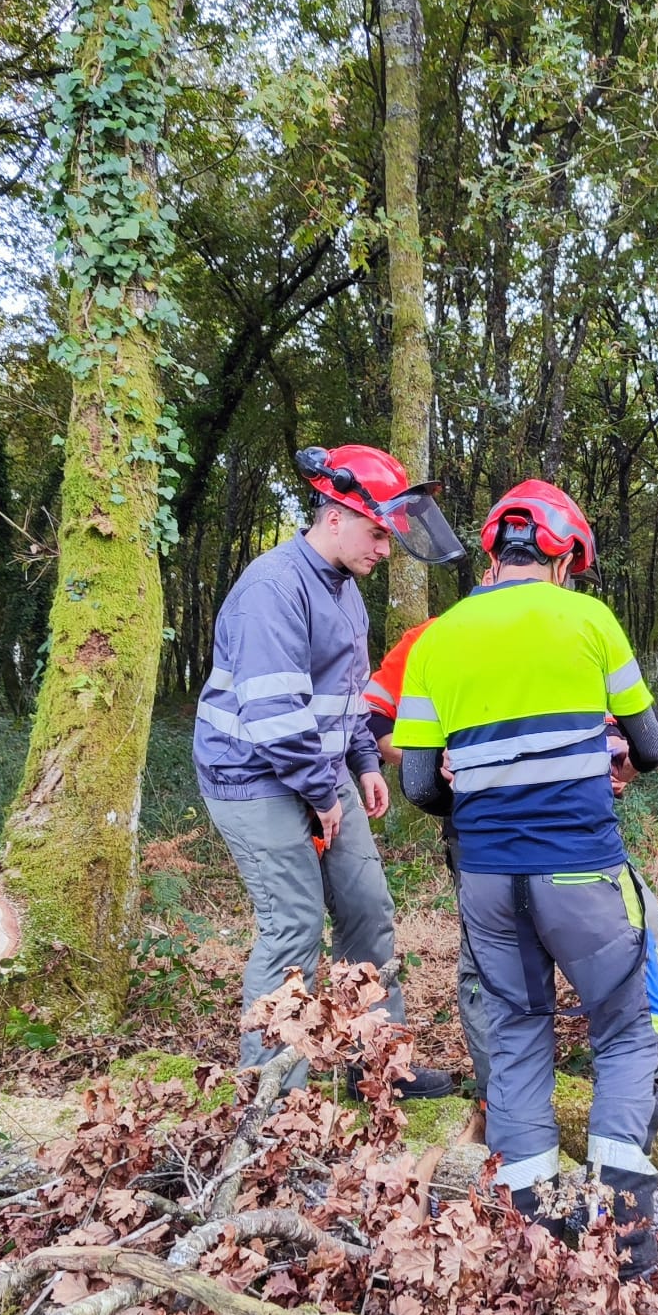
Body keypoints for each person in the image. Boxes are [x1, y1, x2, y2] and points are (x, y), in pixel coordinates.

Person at [395, 479, 658, 1276]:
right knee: (625, 1031)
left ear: (496, 552)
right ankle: (624, 1238)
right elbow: (650, 748)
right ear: (561, 558)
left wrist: (483, 792)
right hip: (581, 870)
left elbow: (419, 789)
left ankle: (536, 1239)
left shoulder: (438, 636)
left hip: (485, 879)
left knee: (515, 1040)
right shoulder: (587, 619)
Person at [366, 626, 658, 1108]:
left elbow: (631, 728)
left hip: (572, 829)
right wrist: (432, 757)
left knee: (638, 919)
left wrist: (614, 757)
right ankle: (496, 1091)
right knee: (488, 960)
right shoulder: (440, 637)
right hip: (483, 832)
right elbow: (373, 720)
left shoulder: (572, 626)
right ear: (495, 561)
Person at [194, 444, 464, 1097]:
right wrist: (321, 793)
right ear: (335, 516)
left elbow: (346, 694)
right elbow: (275, 715)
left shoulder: (346, 593)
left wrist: (365, 761)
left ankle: (378, 1067)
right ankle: (268, 1099)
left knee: (367, 910)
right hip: (253, 773)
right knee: (293, 921)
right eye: (377, 534)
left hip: (318, 764)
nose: (384, 549)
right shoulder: (273, 588)